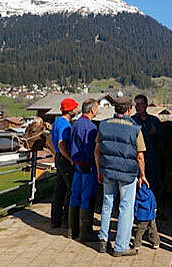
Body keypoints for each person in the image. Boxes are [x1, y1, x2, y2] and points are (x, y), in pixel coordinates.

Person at [95, 96, 149, 257]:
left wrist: (99, 170)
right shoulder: (135, 128)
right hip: (127, 174)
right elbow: (140, 156)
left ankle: (103, 240)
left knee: (107, 204)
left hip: (108, 172)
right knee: (126, 208)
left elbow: (96, 151)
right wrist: (143, 175)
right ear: (129, 109)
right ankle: (121, 246)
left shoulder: (103, 125)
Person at [68, 98, 99, 241]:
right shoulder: (90, 127)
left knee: (75, 195)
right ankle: (85, 232)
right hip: (87, 165)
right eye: (97, 108)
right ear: (92, 110)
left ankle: (72, 229)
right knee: (87, 197)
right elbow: (90, 149)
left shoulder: (75, 124)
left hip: (76, 164)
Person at [50, 98, 78, 229]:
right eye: (75, 108)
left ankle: (55, 219)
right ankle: (67, 219)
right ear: (70, 110)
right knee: (70, 189)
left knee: (59, 189)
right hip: (64, 158)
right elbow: (62, 144)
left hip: (58, 157)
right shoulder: (65, 124)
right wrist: (70, 158)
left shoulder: (57, 122)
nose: (77, 110)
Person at [132, 95, 163, 195]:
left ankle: (152, 205)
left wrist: (156, 133)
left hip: (152, 157)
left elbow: (163, 139)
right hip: (136, 157)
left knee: (152, 184)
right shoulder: (132, 121)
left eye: (141, 104)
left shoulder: (154, 121)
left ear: (146, 105)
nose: (138, 107)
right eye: (136, 104)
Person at [133, 183, 160, 249]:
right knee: (153, 229)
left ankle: (137, 244)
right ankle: (155, 243)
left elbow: (135, 206)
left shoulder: (137, 194)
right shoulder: (150, 193)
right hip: (151, 214)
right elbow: (153, 202)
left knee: (140, 230)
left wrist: (135, 214)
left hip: (142, 216)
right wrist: (155, 208)